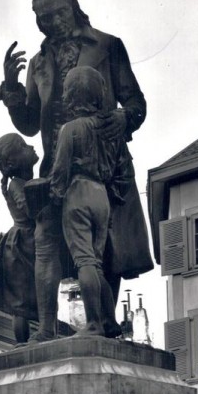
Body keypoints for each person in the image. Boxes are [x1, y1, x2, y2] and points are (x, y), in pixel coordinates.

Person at [0, 0, 153, 342]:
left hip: (105, 163)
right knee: (50, 243)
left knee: (107, 247)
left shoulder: (108, 46)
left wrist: (122, 117)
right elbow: (30, 124)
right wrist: (12, 91)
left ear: (73, 8)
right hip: (55, 164)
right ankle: (49, 329)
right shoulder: (37, 63)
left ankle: (105, 323)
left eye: (57, 13)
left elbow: (137, 104)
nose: (52, 22)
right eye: (43, 18)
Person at [50, 66, 133, 337]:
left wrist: (55, 194)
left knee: (84, 261)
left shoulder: (70, 129)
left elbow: (60, 170)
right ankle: (109, 321)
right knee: (96, 263)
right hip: (102, 196)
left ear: (71, 95)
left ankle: (94, 323)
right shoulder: (111, 130)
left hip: (78, 192)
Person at [0, 133, 39, 343]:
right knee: (20, 305)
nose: (31, 146)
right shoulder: (17, 184)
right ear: (11, 161)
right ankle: (22, 344)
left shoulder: (22, 181)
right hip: (21, 245)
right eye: (24, 146)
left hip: (26, 241)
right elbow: (29, 210)